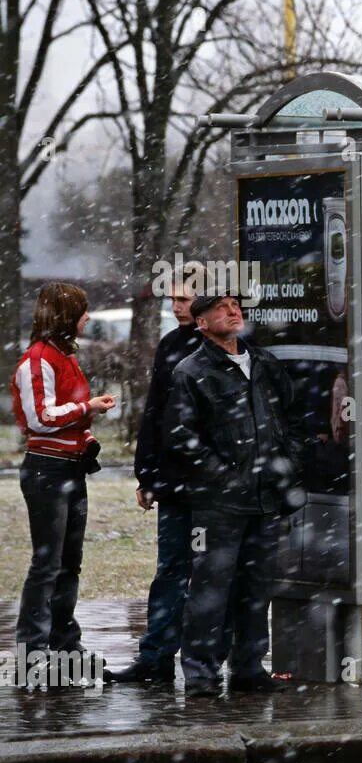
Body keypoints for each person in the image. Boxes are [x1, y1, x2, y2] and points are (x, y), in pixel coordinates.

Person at [166, 288, 306, 697]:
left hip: (266, 500)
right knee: (210, 591)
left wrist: (287, 464)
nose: (232, 311)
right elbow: (183, 438)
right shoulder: (191, 372)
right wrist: (225, 477)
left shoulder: (264, 363)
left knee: (256, 589)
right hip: (219, 506)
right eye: (220, 308)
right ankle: (201, 676)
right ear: (202, 323)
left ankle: (248, 669)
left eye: (235, 306)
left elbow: (292, 419)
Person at [9, 283, 116, 685]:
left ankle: (63, 646)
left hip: (68, 468)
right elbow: (39, 419)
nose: (88, 317)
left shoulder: (63, 356)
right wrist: (86, 408)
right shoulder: (37, 360)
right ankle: (33, 652)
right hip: (48, 471)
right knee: (47, 564)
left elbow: (57, 420)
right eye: (83, 311)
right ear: (67, 314)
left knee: (68, 563)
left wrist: (86, 436)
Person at [112, 282, 204, 684]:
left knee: (211, 571)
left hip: (208, 484)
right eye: (173, 299)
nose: (176, 306)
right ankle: (157, 657)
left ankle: (205, 659)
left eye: (183, 299)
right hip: (176, 480)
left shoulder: (225, 347)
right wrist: (146, 474)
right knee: (171, 568)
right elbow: (154, 412)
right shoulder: (171, 345)